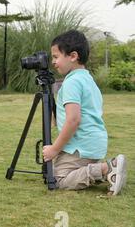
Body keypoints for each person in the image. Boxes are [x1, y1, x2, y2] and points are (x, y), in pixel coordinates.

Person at [43, 30, 127, 195]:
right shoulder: (87, 79)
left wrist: (54, 149)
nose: (53, 62)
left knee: (58, 179)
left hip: (80, 146)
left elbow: (73, 120)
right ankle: (107, 171)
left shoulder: (71, 83)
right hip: (93, 143)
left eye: (56, 56)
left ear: (73, 56)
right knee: (56, 170)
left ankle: (106, 168)